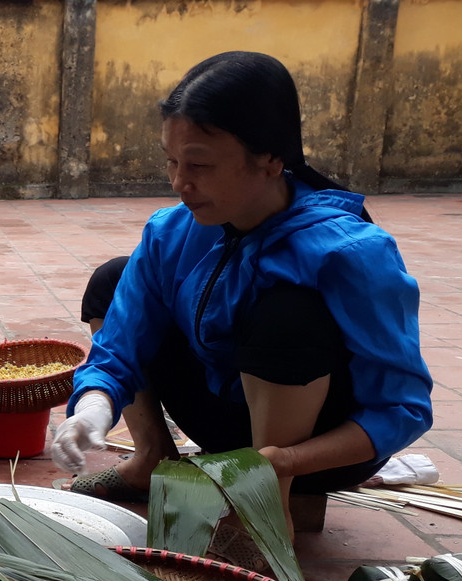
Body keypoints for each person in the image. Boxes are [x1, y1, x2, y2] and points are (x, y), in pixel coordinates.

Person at [51, 51, 432, 535]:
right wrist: (94, 405)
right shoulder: (171, 233)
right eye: (171, 161)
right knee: (114, 279)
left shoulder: (350, 252)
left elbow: (403, 408)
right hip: (223, 419)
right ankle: (151, 458)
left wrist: (282, 461)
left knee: (288, 313)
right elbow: (121, 341)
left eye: (199, 164)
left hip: (311, 450)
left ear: (271, 159)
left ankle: (268, 509)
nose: (179, 183)